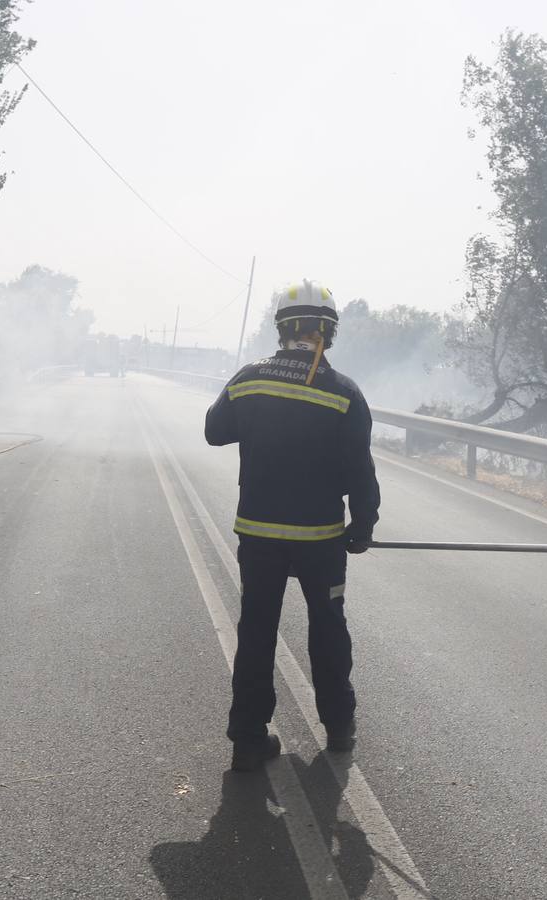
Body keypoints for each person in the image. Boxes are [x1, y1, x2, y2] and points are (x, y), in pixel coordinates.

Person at [204, 279, 381, 772]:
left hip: (258, 535)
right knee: (328, 627)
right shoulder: (343, 392)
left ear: (281, 328)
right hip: (320, 540)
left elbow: (214, 431)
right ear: (330, 331)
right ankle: (339, 729)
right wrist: (363, 525)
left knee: (257, 631)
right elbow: (360, 471)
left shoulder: (249, 378)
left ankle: (247, 740)